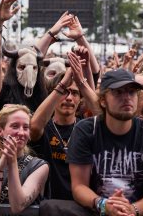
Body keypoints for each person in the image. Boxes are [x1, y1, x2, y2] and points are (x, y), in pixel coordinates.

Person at [67, 69, 143, 216]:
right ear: (103, 100)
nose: (127, 98)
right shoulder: (87, 130)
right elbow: (79, 186)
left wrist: (132, 210)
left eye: (132, 92)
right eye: (118, 92)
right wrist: (104, 205)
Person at [30, 48, 99, 200]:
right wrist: (62, 84)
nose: (68, 98)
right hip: (50, 206)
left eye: (74, 93)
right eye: (64, 92)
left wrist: (82, 78)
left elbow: (104, 117)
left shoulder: (85, 127)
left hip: (82, 205)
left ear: (80, 99)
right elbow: (33, 127)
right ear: (53, 96)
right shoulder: (45, 127)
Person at [0, 104, 49, 215]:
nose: (21, 133)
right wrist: (0, 166)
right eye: (15, 126)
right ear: (0, 131)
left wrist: (12, 162)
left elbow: (18, 206)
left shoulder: (39, 166)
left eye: (26, 127)